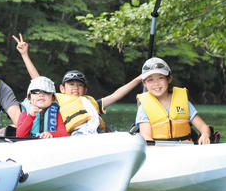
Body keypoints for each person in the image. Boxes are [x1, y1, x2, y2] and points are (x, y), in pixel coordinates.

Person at [13, 33, 142, 132]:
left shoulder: (91, 102)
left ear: (85, 90)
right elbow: (38, 81)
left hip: (95, 132)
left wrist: (138, 79)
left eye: (80, 85)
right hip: (76, 134)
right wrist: (25, 55)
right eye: (71, 84)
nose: (76, 88)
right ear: (62, 88)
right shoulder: (56, 99)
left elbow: (116, 95)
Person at [135, 57, 212, 144]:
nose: (156, 83)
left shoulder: (183, 102)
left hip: (185, 149)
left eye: (160, 78)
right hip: (158, 151)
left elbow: (203, 127)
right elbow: (146, 136)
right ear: (144, 83)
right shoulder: (144, 107)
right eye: (150, 80)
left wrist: (205, 135)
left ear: (169, 79)